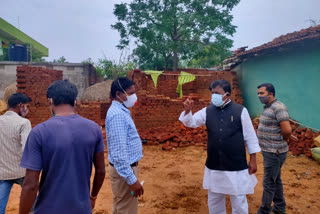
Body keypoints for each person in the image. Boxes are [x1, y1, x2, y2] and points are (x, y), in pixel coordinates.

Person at [19, 80, 106, 214]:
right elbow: (100, 171)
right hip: (81, 209)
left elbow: (30, 183)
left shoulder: (39, 132)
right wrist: (93, 197)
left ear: (50, 101)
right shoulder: (94, 129)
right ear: (75, 101)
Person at [179, 80, 261, 214]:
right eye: (212, 93)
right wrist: (187, 111)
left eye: (217, 93)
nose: (213, 96)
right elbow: (191, 122)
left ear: (227, 95)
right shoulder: (207, 111)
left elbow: (250, 136)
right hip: (214, 163)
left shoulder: (241, 111)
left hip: (236, 163)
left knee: (239, 200)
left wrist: (253, 160)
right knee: (215, 200)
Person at [106, 77, 144, 214]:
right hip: (125, 171)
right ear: (118, 94)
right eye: (130, 93)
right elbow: (119, 153)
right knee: (127, 209)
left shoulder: (120, 111)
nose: (134, 96)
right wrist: (132, 179)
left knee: (120, 206)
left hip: (124, 170)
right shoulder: (117, 116)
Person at [257, 83, 294, 214]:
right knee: (275, 180)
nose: (259, 96)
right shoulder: (268, 107)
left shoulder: (279, 107)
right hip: (269, 151)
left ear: (271, 94)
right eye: (258, 94)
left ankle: (264, 210)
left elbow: (287, 130)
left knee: (268, 183)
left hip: (275, 152)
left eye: (262, 93)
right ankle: (279, 208)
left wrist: (283, 139)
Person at [0, 93, 32, 214]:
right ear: (20, 106)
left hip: (2, 172)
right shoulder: (23, 123)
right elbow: (27, 149)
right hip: (21, 171)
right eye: (26, 106)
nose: (27, 109)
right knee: (32, 202)